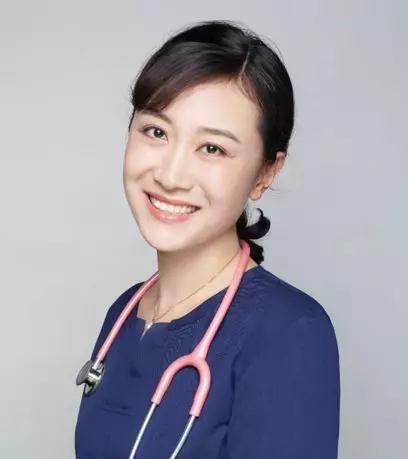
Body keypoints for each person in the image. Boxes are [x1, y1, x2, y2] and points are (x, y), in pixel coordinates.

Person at [74, 19, 340, 458]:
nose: (171, 175)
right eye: (156, 132)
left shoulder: (288, 334)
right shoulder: (122, 315)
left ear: (265, 173)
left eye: (212, 148)